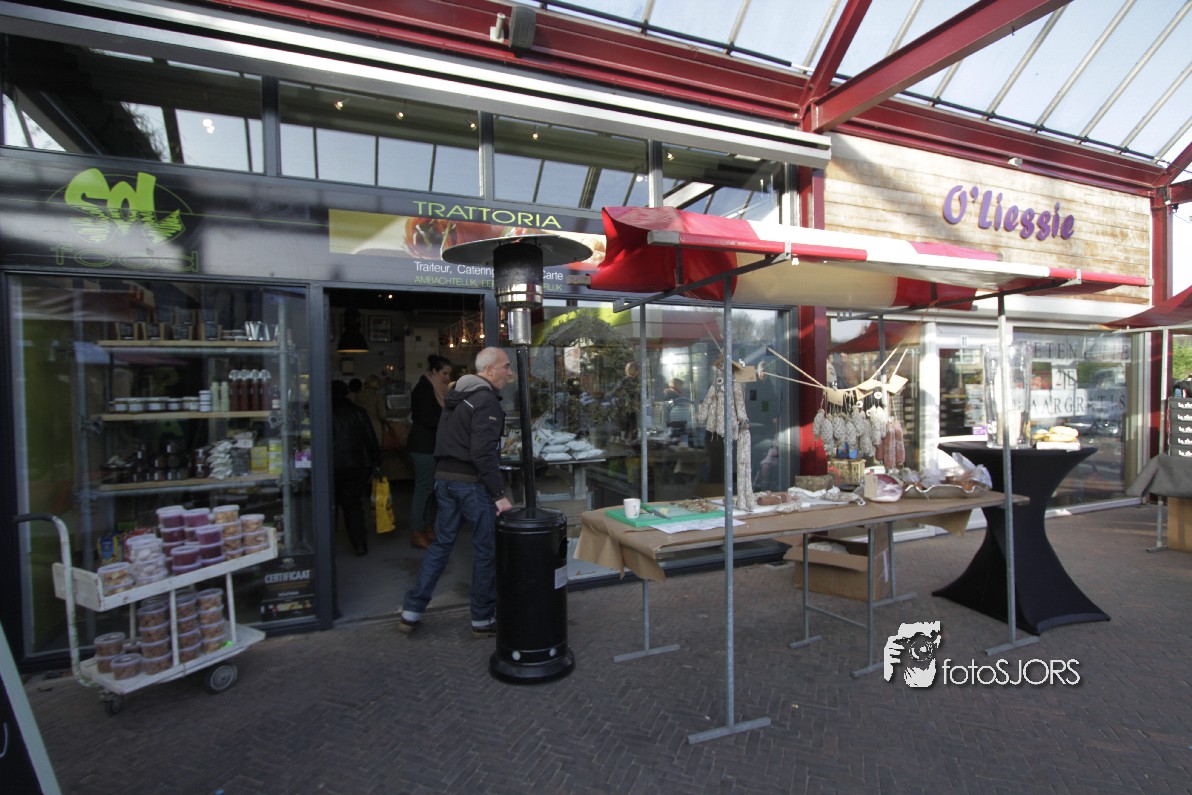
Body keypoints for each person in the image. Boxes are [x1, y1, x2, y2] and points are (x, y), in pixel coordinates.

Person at [399, 347, 513, 637]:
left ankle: (412, 610)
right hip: (470, 483)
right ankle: (482, 619)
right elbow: (482, 452)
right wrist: (499, 494)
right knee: (486, 550)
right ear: (489, 369)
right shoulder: (485, 400)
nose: (510, 373)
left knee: (441, 544)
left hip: (445, 480)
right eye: (506, 366)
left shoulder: (456, 397)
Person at [407, 354, 452, 549]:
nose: (447, 378)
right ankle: (417, 531)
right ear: (434, 371)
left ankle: (426, 527)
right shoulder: (424, 390)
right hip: (423, 446)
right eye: (444, 373)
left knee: (428, 489)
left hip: (429, 446)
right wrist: (450, 422)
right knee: (423, 489)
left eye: (449, 374)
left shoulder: (434, 388)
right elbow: (428, 419)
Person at [331, 379, 380, 556]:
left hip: (332, 467)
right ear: (346, 393)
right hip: (358, 465)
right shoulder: (358, 412)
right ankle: (360, 545)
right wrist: (376, 460)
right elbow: (370, 438)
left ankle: (327, 546)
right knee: (353, 505)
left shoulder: (324, 413)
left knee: (330, 505)